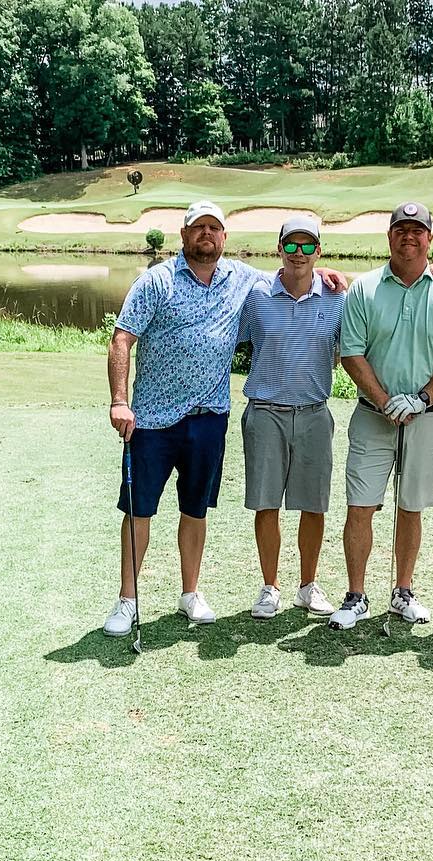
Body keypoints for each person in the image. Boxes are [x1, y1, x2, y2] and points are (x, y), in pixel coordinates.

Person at [102, 200, 346, 636]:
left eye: (214, 228)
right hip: (153, 418)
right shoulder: (156, 281)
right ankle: (128, 598)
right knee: (140, 510)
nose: (207, 235)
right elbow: (122, 340)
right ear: (184, 235)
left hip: (209, 416)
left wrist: (330, 276)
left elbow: (288, 277)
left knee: (195, 510)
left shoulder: (242, 279)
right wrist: (120, 400)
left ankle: (190, 593)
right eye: (199, 228)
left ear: (224, 238)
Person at [327, 201, 433, 631]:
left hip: (428, 419)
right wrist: (386, 399)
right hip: (373, 417)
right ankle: (356, 597)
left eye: (418, 231)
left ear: (430, 239)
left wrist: (421, 399)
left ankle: (403, 591)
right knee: (361, 506)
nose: (409, 237)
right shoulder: (365, 288)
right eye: (400, 230)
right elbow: (351, 353)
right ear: (389, 236)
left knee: (411, 508)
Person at [237, 215, 344, 619]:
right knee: (267, 505)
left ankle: (307, 585)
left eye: (307, 246)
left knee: (313, 505)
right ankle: (270, 587)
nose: (299, 254)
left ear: (318, 251)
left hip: (315, 413)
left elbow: (350, 349)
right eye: (291, 246)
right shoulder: (257, 295)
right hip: (265, 413)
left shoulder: (336, 298)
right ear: (279, 249)